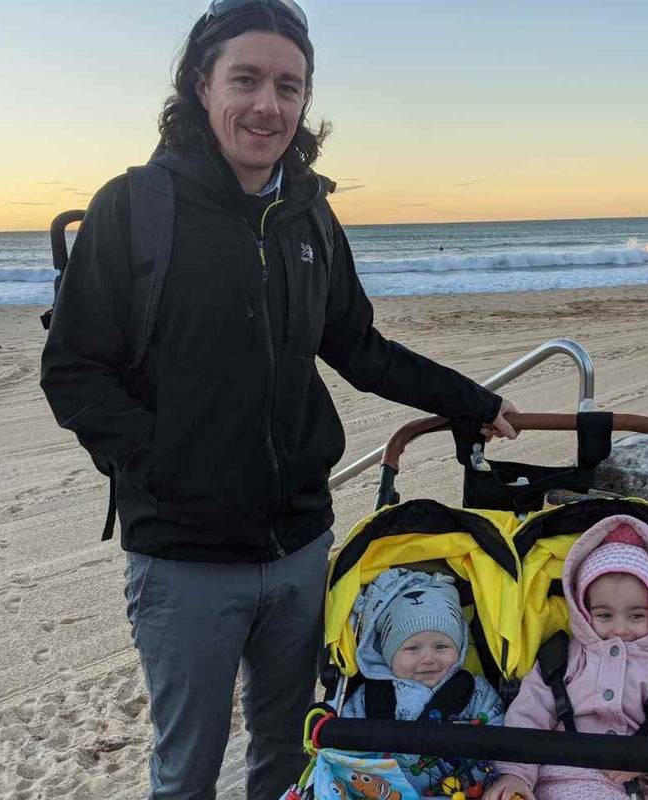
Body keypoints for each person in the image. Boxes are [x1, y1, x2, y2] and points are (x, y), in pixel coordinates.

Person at [38, 1, 517, 798]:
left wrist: (467, 399)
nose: (268, 105)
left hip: (299, 545)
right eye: (247, 79)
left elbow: (357, 345)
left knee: (291, 753)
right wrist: (164, 465)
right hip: (182, 555)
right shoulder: (135, 208)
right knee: (186, 769)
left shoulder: (309, 212)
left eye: (288, 86)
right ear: (200, 85)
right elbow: (73, 371)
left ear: (304, 102)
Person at [485, 516, 648, 800]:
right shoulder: (561, 659)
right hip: (556, 776)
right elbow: (528, 717)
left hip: (626, 786)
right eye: (604, 615)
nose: (619, 629)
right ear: (584, 613)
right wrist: (515, 774)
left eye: (636, 615)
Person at [340, 569, 505, 797]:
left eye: (441, 647)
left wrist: (478, 776)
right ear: (388, 654)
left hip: (459, 791)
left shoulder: (474, 691)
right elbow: (344, 743)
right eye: (412, 649)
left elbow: (500, 735)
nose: (428, 659)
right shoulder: (370, 697)